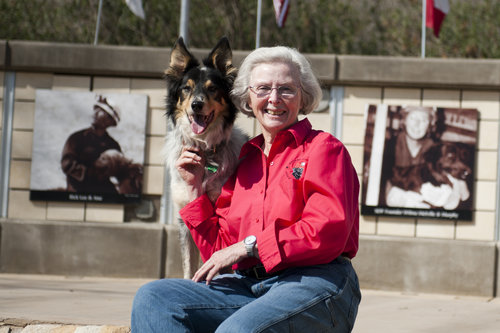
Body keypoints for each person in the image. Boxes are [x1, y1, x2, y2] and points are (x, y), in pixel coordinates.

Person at [132, 46, 361, 332]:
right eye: (263, 88)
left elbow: (328, 231)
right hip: (250, 285)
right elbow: (219, 250)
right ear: (247, 98)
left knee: (236, 331)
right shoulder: (246, 159)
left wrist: (249, 246)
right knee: (153, 298)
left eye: (287, 89)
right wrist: (194, 190)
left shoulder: (325, 149)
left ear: (303, 96)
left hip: (314, 281)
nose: (274, 99)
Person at [61, 95, 122, 194]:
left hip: (103, 194)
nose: (95, 113)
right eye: (95, 109)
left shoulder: (113, 146)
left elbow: (120, 171)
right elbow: (67, 164)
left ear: (110, 121)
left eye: (100, 111)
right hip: (78, 193)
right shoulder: (76, 138)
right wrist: (91, 174)